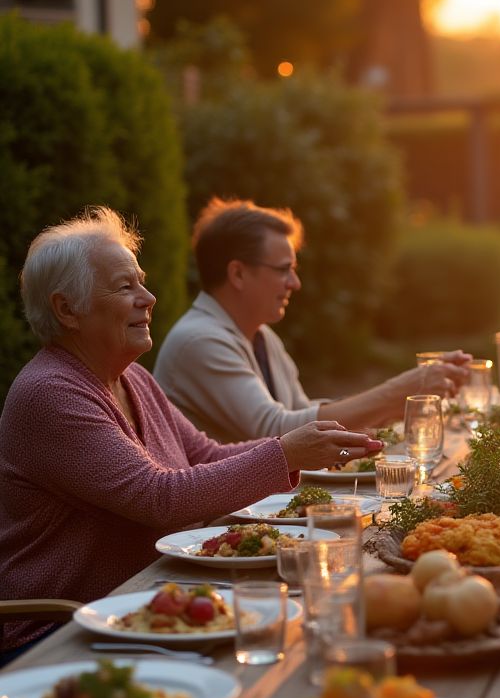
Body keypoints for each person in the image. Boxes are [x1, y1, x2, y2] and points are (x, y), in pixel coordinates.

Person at [0, 208, 382, 658]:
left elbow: (205, 454)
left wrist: (306, 443)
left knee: (298, 624)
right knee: (282, 646)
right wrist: (287, 452)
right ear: (67, 309)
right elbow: (160, 499)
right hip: (62, 631)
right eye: (126, 287)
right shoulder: (50, 395)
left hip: (150, 603)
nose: (149, 297)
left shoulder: (131, 378)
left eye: (141, 282)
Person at [154, 198, 470, 443]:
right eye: (282, 269)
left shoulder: (260, 335)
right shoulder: (200, 341)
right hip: (215, 524)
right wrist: (398, 390)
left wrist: (397, 405)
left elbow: (301, 414)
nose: (295, 283)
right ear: (237, 273)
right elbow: (278, 432)